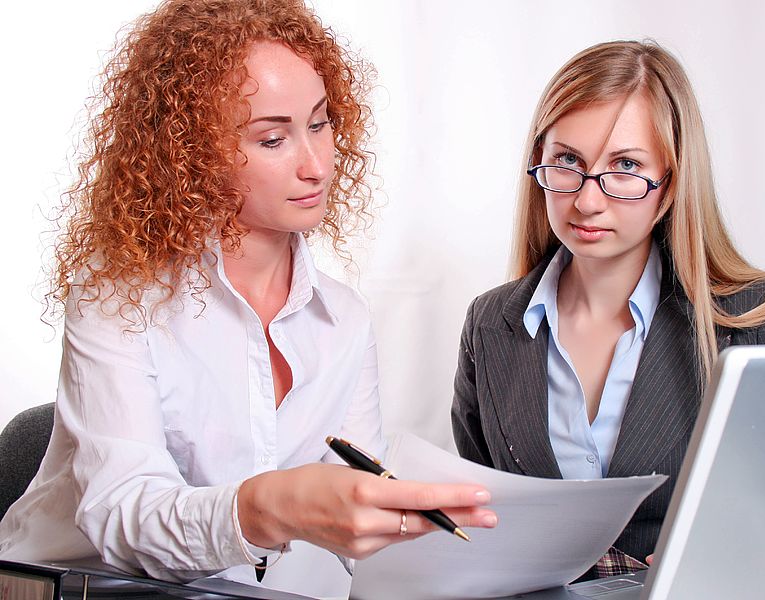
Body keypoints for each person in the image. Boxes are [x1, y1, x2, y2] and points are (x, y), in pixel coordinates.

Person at [0, 0, 495, 596]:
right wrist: (267, 509)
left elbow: (350, 528)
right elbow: (121, 515)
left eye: (319, 123)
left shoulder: (344, 320)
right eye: (272, 138)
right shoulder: (119, 299)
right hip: (66, 589)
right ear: (192, 154)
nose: (316, 165)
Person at [450, 40, 765, 581]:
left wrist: (734, 557)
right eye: (567, 162)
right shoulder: (491, 326)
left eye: (625, 166)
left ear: (670, 185)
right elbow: (481, 520)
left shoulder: (756, 322)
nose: (586, 200)